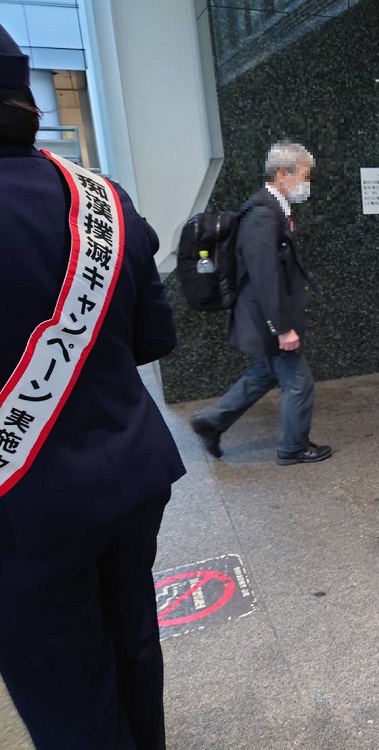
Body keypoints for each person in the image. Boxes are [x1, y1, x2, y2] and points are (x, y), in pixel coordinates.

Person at [0, 24, 186, 750]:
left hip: (23, 505)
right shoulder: (100, 196)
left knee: (61, 681)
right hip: (131, 471)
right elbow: (156, 340)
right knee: (133, 640)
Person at [190, 141, 332, 465]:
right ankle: (293, 448)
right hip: (266, 318)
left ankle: (211, 422)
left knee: (263, 375)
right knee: (299, 383)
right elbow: (265, 275)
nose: (306, 185)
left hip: (262, 316)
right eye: (305, 176)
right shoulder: (262, 214)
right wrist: (282, 328)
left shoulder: (272, 210)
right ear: (283, 173)